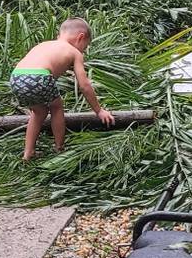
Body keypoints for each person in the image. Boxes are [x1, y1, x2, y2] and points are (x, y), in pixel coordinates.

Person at [10, 17, 115, 161]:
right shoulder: (74, 52)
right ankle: (59, 148)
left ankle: (28, 153)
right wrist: (99, 110)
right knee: (57, 107)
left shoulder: (44, 44)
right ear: (80, 38)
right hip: (39, 77)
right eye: (85, 46)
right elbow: (84, 85)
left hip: (16, 77)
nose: (83, 50)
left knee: (38, 112)